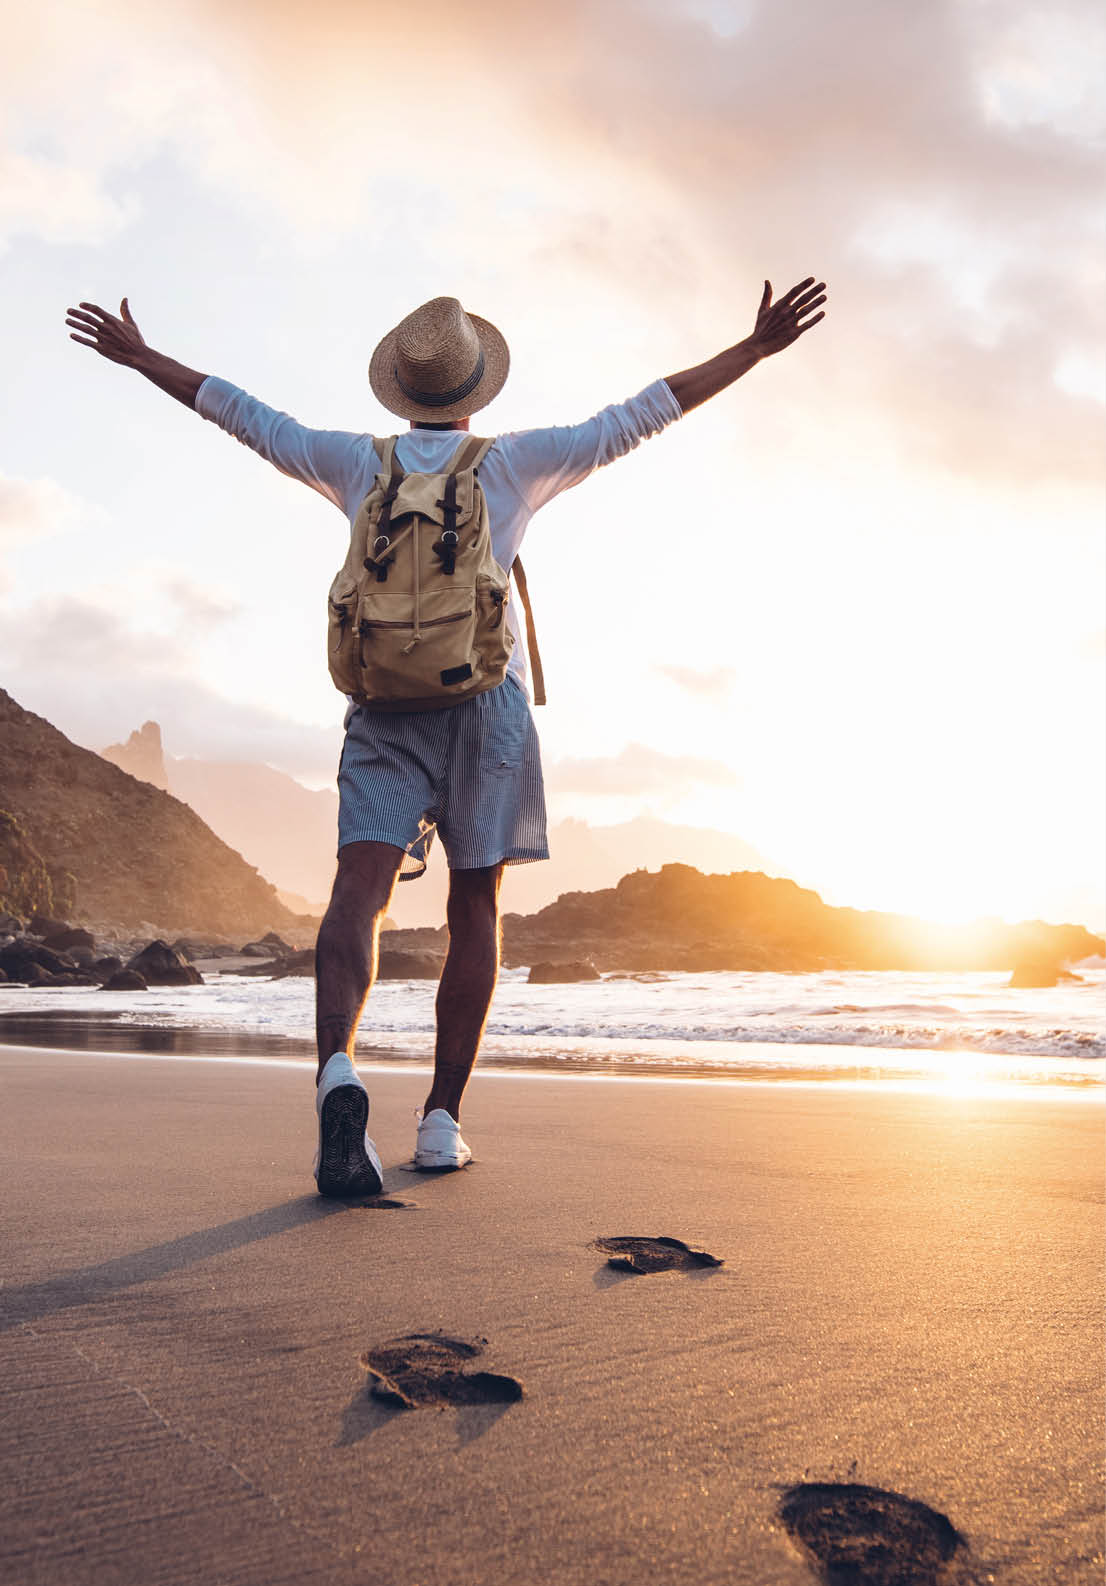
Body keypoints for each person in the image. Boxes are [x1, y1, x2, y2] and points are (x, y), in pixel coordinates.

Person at [65, 276, 827, 1196]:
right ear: (472, 393)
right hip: (484, 709)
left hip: (385, 709)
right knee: (475, 906)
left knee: (361, 891)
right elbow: (642, 415)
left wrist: (143, 358)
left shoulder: (354, 463)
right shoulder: (515, 464)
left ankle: (338, 1074)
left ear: (403, 389)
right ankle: (438, 1123)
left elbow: (243, 414)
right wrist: (751, 350)